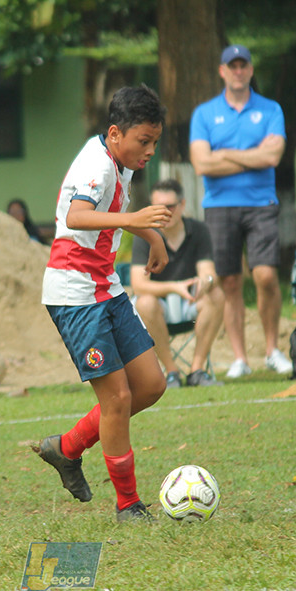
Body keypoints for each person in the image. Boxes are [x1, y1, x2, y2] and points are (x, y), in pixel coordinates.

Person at [32, 84, 171, 522]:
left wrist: (150, 236)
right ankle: (128, 504)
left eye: (154, 143)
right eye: (143, 141)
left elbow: (112, 215)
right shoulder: (98, 165)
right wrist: (137, 221)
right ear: (115, 133)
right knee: (117, 399)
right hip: (75, 295)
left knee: (150, 385)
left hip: (103, 286)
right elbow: (76, 216)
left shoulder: (118, 161)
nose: (148, 151)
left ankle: (67, 447)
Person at [189, 44, 292, 379]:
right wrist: (250, 155)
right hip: (219, 206)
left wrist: (225, 156)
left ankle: (272, 349)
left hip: (261, 202)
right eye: (231, 66)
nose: (237, 71)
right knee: (229, 281)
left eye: (242, 65)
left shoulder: (271, 109)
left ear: (250, 70)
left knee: (265, 275)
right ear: (222, 71)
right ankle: (239, 358)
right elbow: (202, 163)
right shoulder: (204, 113)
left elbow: (272, 158)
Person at [130, 178, 224, 387]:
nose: (164, 212)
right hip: (158, 307)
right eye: (158, 207)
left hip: (191, 302)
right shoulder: (145, 234)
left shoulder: (199, 230)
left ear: (182, 205)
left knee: (216, 294)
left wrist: (206, 282)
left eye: (170, 207)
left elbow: (208, 273)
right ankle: (171, 372)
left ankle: (197, 370)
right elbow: (138, 284)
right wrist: (175, 287)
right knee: (143, 302)